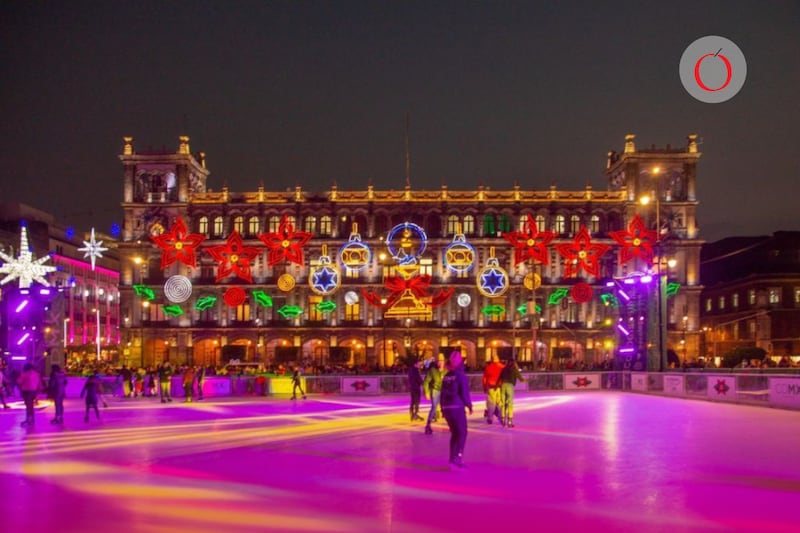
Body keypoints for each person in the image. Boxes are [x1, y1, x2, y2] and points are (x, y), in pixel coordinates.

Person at [440, 351, 473, 468]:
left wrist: (442, 408)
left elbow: (442, 393)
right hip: (457, 407)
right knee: (462, 432)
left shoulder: (446, 376)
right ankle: (458, 457)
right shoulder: (460, 375)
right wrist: (469, 405)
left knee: (455, 433)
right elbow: (464, 392)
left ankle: (452, 458)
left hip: (447, 408)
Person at [423, 354, 445, 434]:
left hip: (444, 391)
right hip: (435, 390)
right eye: (438, 361)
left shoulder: (446, 370)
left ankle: (451, 424)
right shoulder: (432, 370)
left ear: (444, 362)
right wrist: (427, 392)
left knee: (447, 407)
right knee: (434, 407)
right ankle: (428, 425)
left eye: (441, 361)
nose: (440, 363)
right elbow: (426, 382)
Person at [499, 359, 524, 428]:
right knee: (510, 404)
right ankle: (509, 421)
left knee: (503, 403)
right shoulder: (514, 369)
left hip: (503, 386)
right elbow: (521, 379)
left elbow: (499, 378)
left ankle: (503, 420)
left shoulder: (504, 369)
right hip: (510, 386)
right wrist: (526, 380)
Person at [482, 353, 505, 425]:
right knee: (500, 403)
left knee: (491, 403)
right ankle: (502, 418)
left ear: (492, 360)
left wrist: (484, 387)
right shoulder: (502, 367)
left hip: (491, 387)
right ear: (498, 359)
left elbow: (484, 379)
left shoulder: (488, 367)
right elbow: (505, 377)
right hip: (500, 387)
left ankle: (490, 418)